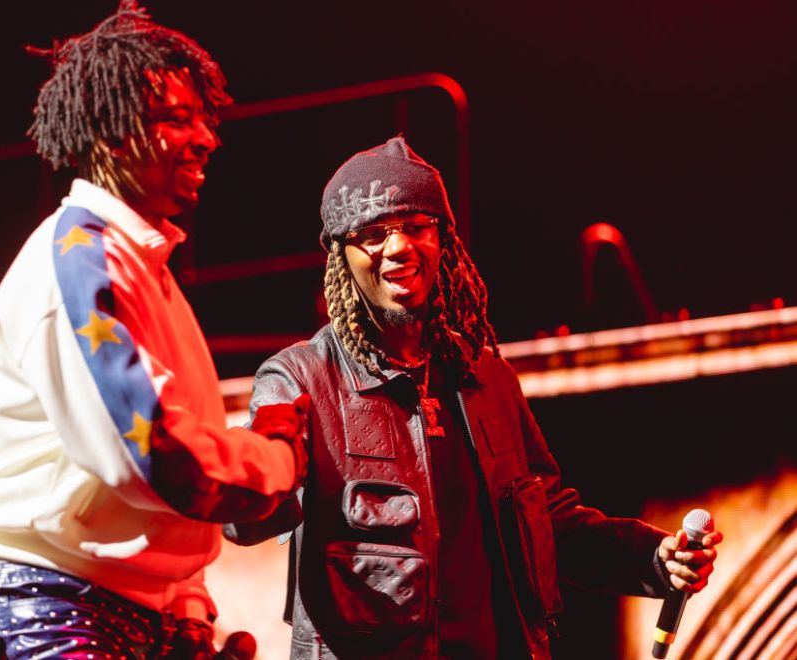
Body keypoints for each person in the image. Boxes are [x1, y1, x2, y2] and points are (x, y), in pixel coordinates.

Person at [225, 136, 722, 659]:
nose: (398, 248)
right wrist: (257, 472)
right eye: (373, 235)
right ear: (342, 256)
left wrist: (652, 558)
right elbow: (245, 516)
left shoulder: (485, 376)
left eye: (417, 227)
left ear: (443, 241)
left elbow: (546, 521)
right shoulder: (300, 378)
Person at [0, 3, 307, 658]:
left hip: (113, 611)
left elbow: (158, 493)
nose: (206, 138)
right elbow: (156, 460)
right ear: (112, 133)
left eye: (205, 118)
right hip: (51, 609)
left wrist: (187, 611)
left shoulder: (144, 270)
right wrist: (281, 457)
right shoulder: (82, 265)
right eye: (177, 119)